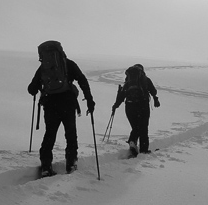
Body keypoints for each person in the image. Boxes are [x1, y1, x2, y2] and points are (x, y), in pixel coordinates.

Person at [27, 41, 95, 176]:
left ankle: (46, 166)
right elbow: (82, 80)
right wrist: (89, 100)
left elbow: (31, 89)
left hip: (50, 105)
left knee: (50, 134)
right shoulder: (68, 64)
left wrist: (42, 87)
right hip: (68, 103)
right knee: (70, 134)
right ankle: (71, 163)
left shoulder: (43, 68)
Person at [111, 64, 159, 156]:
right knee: (143, 128)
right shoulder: (145, 80)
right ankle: (143, 150)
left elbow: (121, 96)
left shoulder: (128, 82)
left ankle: (132, 142)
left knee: (136, 127)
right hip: (143, 106)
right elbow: (154, 91)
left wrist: (115, 106)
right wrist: (155, 99)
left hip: (129, 107)